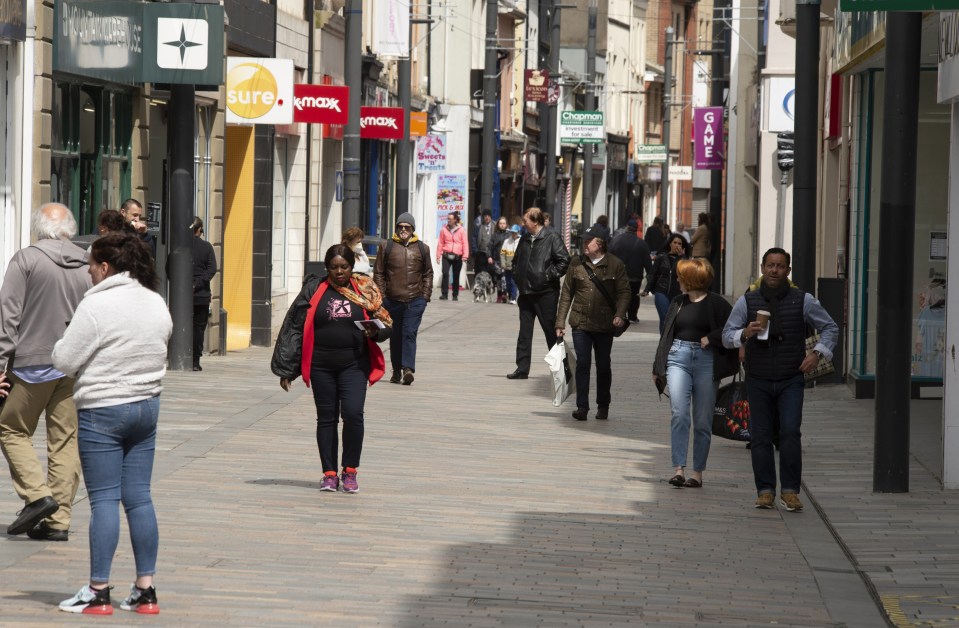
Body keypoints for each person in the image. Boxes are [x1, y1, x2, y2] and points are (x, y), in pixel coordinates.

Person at [52, 232, 173, 615]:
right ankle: (145, 589)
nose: (87, 272)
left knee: (103, 499)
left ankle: (98, 590)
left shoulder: (97, 306)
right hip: (146, 407)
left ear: (105, 267)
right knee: (139, 497)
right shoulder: (155, 301)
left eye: (90, 265)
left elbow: (64, 359)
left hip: (103, 408)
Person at [0, 203, 91, 542]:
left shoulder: (26, 259)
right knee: (65, 439)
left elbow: (8, 317)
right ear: (70, 228)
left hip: (30, 363)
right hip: (71, 365)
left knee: (10, 427)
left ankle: (37, 496)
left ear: (38, 228)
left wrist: (0, 364)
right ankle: (59, 520)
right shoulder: (87, 264)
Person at [722, 247, 838, 512]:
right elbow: (727, 334)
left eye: (780, 266)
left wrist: (817, 354)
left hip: (791, 377)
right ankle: (765, 490)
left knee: (789, 432)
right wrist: (744, 334)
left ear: (788, 270)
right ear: (762, 268)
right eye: (770, 265)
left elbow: (830, 327)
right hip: (758, 377)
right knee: (761, 436)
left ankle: (790, 490)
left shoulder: (803, 300)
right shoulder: (747, 301)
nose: (775, 270)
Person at [272, 244, 391, 495]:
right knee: (326, 419)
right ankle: (329, 473)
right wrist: (287, 368)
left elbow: (387, 324)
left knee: (353, 414)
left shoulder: (365, 289)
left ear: (352, 267)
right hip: (321, 366)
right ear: (327, 268)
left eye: (344, 267)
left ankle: (350, 470)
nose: (339, 272)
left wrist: (376, 331)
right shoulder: (315, 289)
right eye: (334, 267)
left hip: (354, 364)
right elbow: (294, 326)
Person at [652, 259, 739, 489]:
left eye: (681, 276)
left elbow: (734, 328)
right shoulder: (678, 302)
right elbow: (667, 334)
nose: (678, 280)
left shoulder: (717, 304)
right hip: (678, 357)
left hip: (706, 361)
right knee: (679, 413)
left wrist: (711, 338)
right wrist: (657, 367)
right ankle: (678, 469)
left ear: (691, 279)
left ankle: (697, 473)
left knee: (702, 420)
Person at [555, 224, 630, 421]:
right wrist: (560, 322)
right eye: (584, 240)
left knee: (604, 365)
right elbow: (566, 295)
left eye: (589, 241)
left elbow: (624, 293)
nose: (585, 244)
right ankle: (582, 407)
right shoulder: (575, 263)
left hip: (605, 324)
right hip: (580, 323)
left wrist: (620, 314)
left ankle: (603, 405)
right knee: (582, 364)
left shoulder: (616, 265)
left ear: (601, 243)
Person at [507, 206, 570, 379]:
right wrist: (517, 276)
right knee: (524, 333)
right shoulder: (525, 237)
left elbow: (564, 261)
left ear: (535, 222)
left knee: (551, 331)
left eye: (525, 220)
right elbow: (517, 260)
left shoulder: (552, 237)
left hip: (545, 293)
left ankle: (561, 370)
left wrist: (547, 276)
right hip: (526, 292)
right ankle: (522, 368)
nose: (523, 223)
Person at [374, 213, 433, 385]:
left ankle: (408, 369)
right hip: (392, 300)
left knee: (409, 333)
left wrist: (425, 296)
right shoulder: (387, 247)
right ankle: (396, 370)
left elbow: (428, 273)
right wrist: (383, 297)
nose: (404, 230)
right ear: (397, 228)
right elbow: (379, 273)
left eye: (407, 227)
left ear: (413, 229)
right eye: (401, 226)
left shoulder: (423, 248)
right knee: (396, 335)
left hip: (415, 300)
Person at [643, 233, 691, 333]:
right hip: (661, 290)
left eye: (679, 243)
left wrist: (682, 256)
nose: (677, 245)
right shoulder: (661, 257)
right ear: (670, 244)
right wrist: (647, 289)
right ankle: (664, 342)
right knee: (664, 316)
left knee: (673, 319)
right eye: (675, 242)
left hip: (676, 292)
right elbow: (652, 274)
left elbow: (688, 272)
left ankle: (670, 340)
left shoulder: (683, 260)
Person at [608, 219, 652, 323]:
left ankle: (618, 314)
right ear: (637, 229)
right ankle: (632, 316)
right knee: (633, 296)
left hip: (618, 274)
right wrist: (650, 282)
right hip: (635, 276)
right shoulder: (642, 244)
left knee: (618, 294)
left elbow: (608, 256)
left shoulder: (616, 240)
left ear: (627, 227)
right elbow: (648, 264)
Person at [190, 217, 218, 371]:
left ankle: (183, 354)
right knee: (199, 328)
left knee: (183, 325)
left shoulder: (180, 246)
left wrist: (183, 284)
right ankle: (195, 361)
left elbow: (170, 268)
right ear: (199, 230)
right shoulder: (206, 247)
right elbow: (212, 269)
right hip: (201, 295)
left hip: (182, 296)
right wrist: (198, 283)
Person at [436, 211, 469, 301]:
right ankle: (444, 294)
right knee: (445, 273)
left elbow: (465, 243)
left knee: (456, 275)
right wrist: (438, 255)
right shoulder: (443, 229)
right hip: (446, 255)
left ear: (455, 220)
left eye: (450, 219)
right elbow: (440, 243)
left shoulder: (462, 230)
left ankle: (455, 294)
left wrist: (465, 255)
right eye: (448, 219)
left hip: (458, 255)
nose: (448, 220)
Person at [487, 216, 510, 302]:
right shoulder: (495, 235)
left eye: (504, 223)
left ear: (506, 224)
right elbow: (489, 247)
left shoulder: (509, 235)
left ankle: (505, 294)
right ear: (498, 224)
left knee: (506, 278)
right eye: (500, 223)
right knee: (498, 278)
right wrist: (489, 256)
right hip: (496, 259)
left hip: (507, 259)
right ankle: (499, 295)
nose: (502, 225)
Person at [500, 225, 522, 303]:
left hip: (516, 266)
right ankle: (510, 294)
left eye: (515, 233)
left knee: (513, 281)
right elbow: (502, 254)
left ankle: (513, 298)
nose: (513, 234)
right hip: (507, 265)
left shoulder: (521, 241)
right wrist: (503, 264)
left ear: (518, 233)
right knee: (508, 282)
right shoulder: (506, 241)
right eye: (512, 232)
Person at [472, 209, 494, 275]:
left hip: (491, 254)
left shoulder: (495, 226)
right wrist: (475, 251)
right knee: (479, 273)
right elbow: (474, 238)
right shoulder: (478, 226)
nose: (487, 217)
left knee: (491, 274)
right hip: (480, 253)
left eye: (488, 216)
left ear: (490, 217)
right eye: (485, 216)